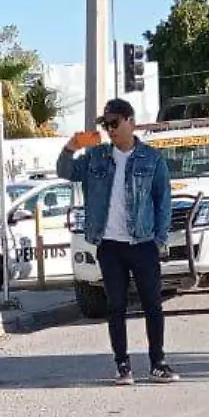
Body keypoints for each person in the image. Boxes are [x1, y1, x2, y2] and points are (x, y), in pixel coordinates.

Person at [57, 97, 176, 385]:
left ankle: (157, 363)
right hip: (109, 245)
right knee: (116, 305)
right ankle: (122, 365)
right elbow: (65, 171)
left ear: (130, 121)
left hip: (143, 243)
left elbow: (163, 201)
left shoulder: (151, 158)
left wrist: (159, 239)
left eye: (114, 123)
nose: (110, 129)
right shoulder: (96, 157)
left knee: (152, 305)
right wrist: (71, 147)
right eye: (106, 125)